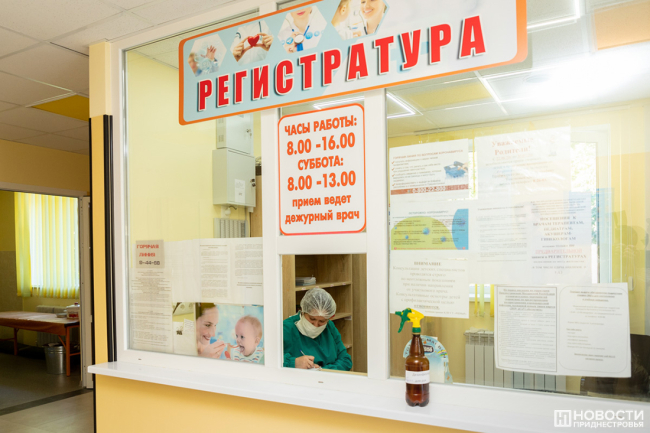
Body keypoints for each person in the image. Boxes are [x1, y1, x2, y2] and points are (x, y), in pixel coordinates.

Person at [283, 288, 352, 371]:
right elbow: (270, 359)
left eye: (322, 321)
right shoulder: (286, 329)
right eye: (312, 319)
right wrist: (293, 362)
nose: (316, 325)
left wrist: (321, 370)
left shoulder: (329, 327)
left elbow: (345, 360)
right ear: (303, 311)